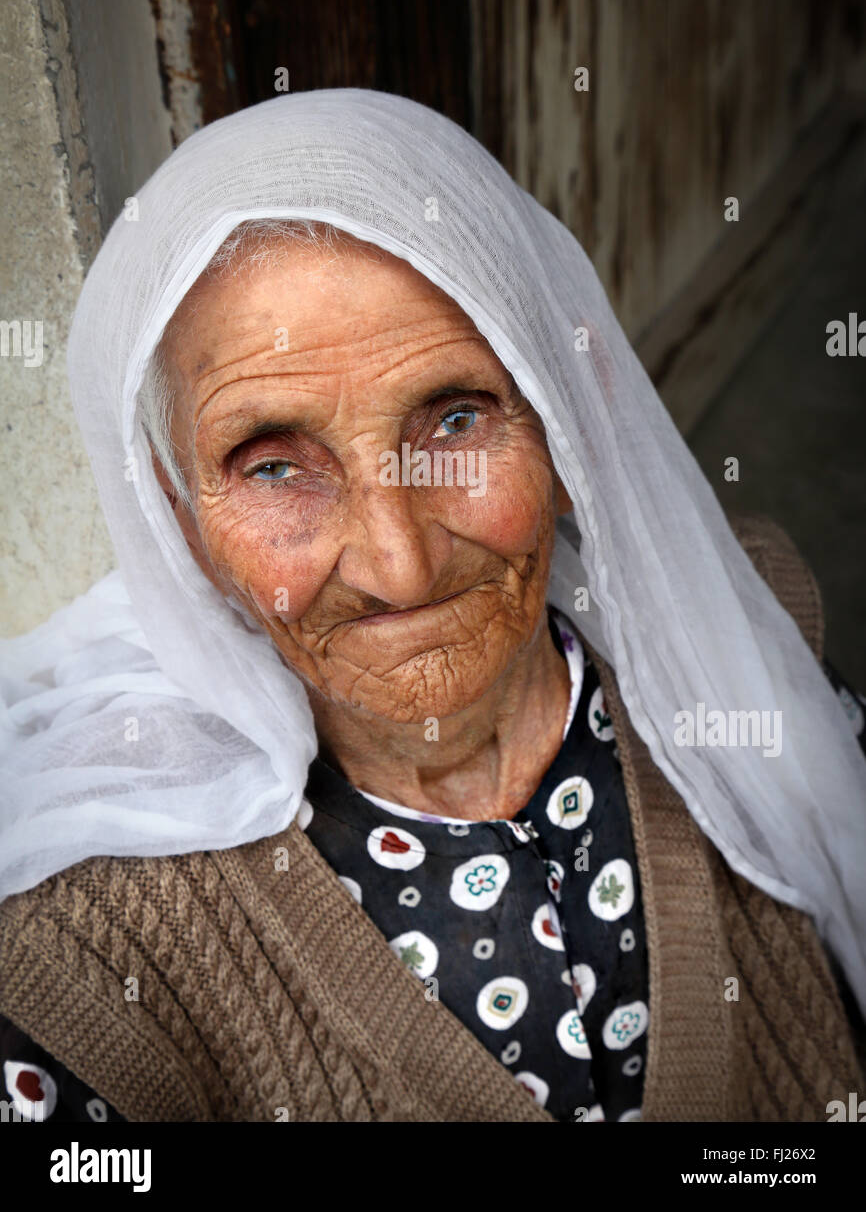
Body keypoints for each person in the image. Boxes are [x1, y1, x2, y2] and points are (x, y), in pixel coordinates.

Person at [0, 89, 864, 1123]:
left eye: (454, 418)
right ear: (179, 518)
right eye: (273, 466)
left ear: (561, 418)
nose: (400, 567)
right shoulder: (91, 957)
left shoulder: (748, 639)